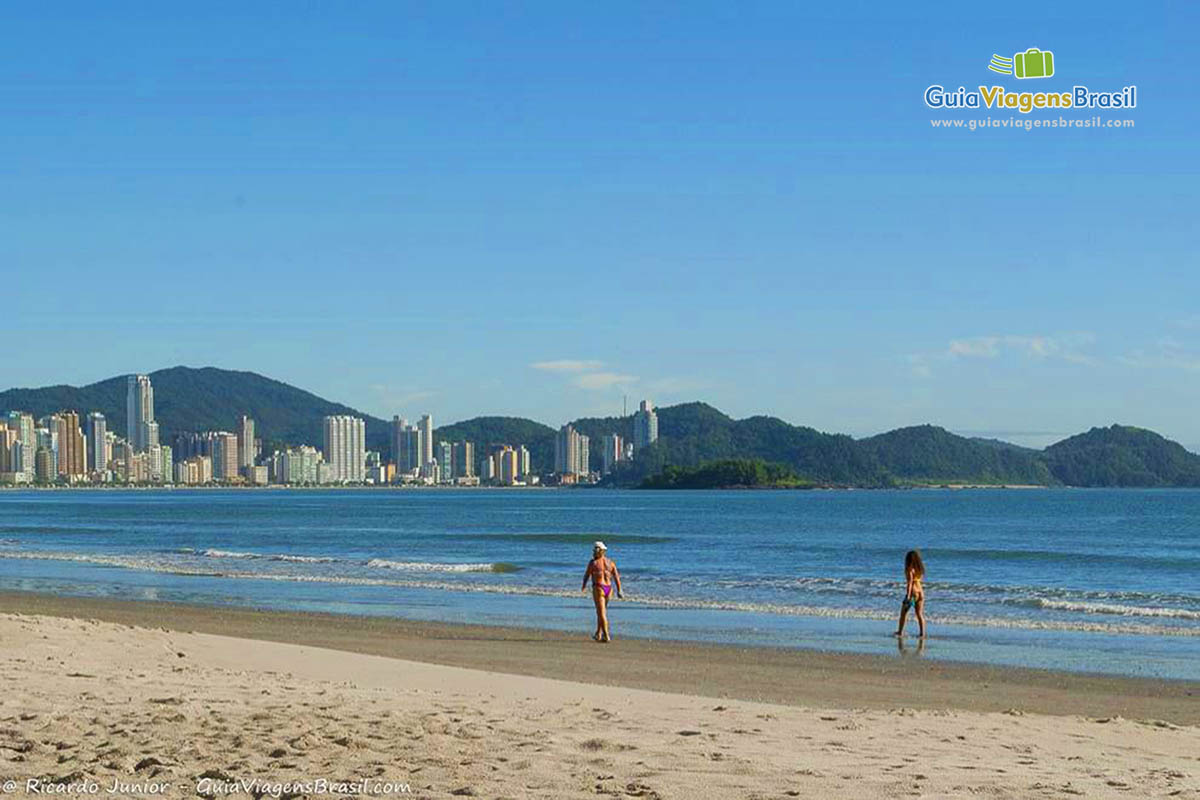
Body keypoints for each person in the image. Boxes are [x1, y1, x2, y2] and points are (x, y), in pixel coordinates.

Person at [581, 540, 622, 642]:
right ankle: (598, 634)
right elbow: (616, 577)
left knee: (601, 613)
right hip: (609, 588)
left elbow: (586, 575)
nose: (593, 552)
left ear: (598, 551)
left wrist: (584, 585)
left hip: (599, 588)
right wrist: (619, 589)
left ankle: (606, 635)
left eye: (594, 550)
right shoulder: (610, 563)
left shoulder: (593, 563)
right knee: (601, 612)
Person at [894, 549, 926, 639]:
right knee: (919, 614)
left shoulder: (909, 570)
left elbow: (910, 583)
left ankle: (900, 632)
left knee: (903, 614)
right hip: (921, 592)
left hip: (913, 593)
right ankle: (922, 634)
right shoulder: (919, 569)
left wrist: (908, 596)